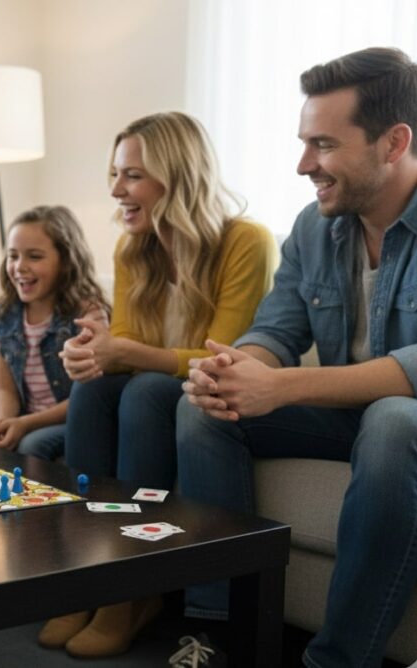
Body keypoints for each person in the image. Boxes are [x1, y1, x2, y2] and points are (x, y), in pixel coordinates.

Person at [178, 47, 417, 668]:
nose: (303, 164)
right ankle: (219, 636)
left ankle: (337, 662)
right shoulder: (314, 226)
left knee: (393, 420)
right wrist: (233, 370)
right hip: (352, 419)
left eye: (324, 145)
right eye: (304, 142)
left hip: (403, 425)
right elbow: (275, 330)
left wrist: (282, 388)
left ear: (394, 143)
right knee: (203, 410)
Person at [43, 111, 275, 658]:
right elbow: (122, 347)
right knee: (95, 391)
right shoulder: (133, 249)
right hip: (155, 392)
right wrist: (91, 355)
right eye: (116, 174)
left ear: (178, 176)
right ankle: (87, 578)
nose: (117, 190)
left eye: (132, 176)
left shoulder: (246, 241)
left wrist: (124, 351)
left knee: (146, 389)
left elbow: (224, 358)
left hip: (210, 396)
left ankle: (131, 589)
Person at [0, 206, 109, 460]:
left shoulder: (87, 316)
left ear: (66, 261)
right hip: (25, 417)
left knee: (32, 446)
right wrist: (3, 422)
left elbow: (87, 399)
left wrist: (26, 424)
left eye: (34, 256)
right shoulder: (4, 316)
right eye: (13, 256)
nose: (20, 267)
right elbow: (6, 390)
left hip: (74, 420)